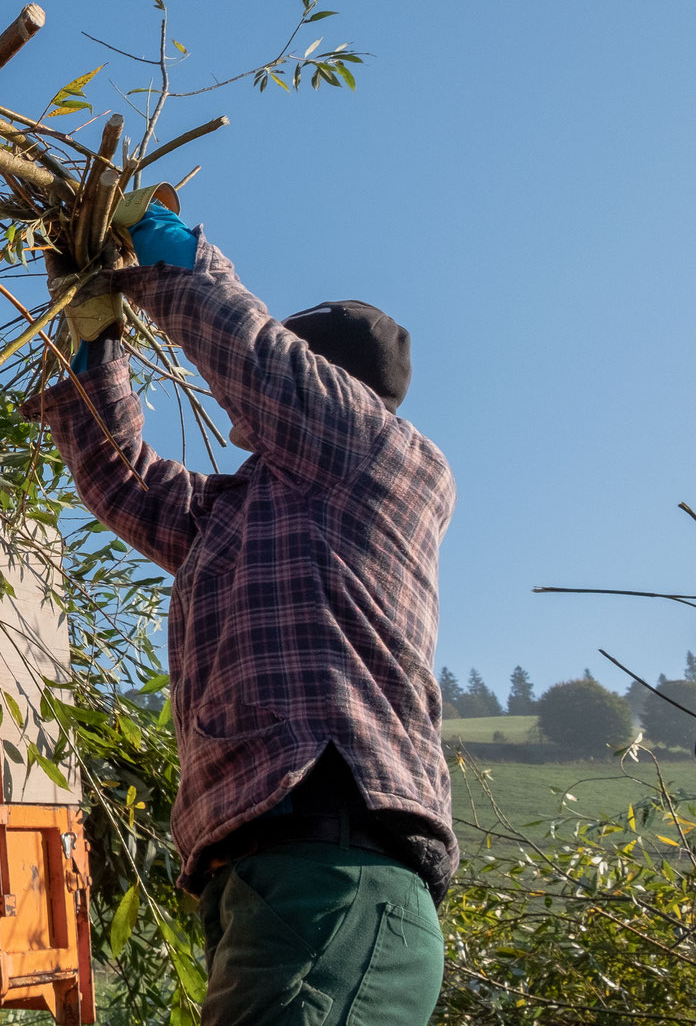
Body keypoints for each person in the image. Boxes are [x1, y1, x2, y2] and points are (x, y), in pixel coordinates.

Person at [31, 196, 455, 1025]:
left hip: (334, 869)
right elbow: (124, 481)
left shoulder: (382, 456)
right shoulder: (243, 510)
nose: (240, 407)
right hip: (267, 883)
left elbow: (252, 357)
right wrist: (95, 349)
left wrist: (177, 256)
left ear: (329, 384)